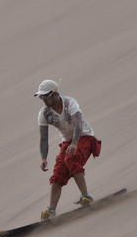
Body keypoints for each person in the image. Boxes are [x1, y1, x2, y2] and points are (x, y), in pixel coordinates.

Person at [35, 79, 101, 219]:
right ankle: (51, 210)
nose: (43, 100)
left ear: (55, 94)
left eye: (46, 96)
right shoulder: (44, 113)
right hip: (67, 141)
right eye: (41, 97)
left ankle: (85, 196)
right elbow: (44, 138)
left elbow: (78, 124)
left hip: (84, 136)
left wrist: (75, 143)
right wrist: (43, 158)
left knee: (71, 158)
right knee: (58, 171)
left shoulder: (70, 103)